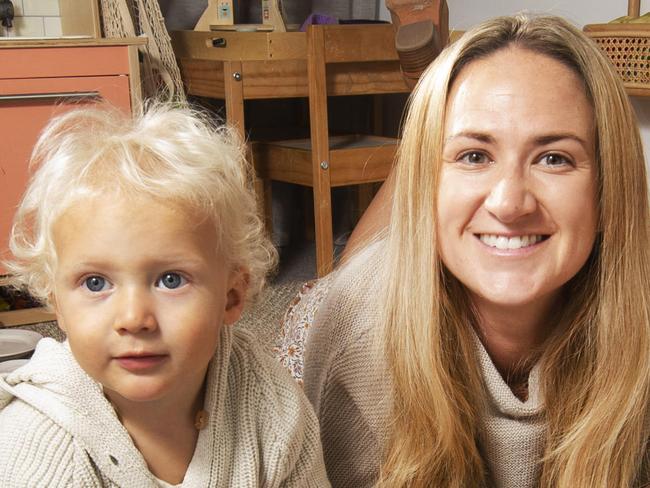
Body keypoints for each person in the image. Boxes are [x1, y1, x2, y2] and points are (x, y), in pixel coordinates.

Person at [302, 13, 650, 487]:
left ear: (610, 191)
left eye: (554, 158)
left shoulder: (639, 329)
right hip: (349, 308)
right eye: (475, 155)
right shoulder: (357, 333)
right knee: (350, 280)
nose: (510, 202)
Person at [0, 104, 330, 487]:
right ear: (56, 303)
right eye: (95, 283)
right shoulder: (37, 450)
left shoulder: (271, 406)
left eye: (171, 280)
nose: (134, 318)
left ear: (231, 297)